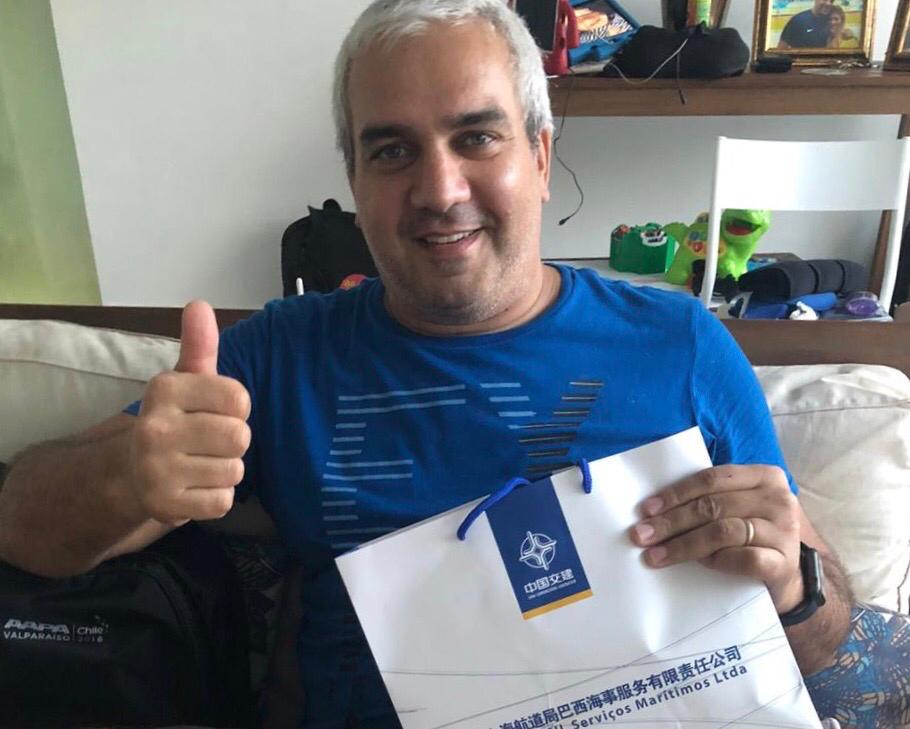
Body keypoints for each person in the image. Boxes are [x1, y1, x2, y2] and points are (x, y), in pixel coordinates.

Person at [0, 1, 853, 727]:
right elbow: (21, 529)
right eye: (392, 151)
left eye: (476, 136)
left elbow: (823, 641)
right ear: (355, 181)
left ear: (541, 156)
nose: (440, 190)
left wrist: (796, 584)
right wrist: (128, 472)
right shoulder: (283, 353)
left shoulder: (681, 344)